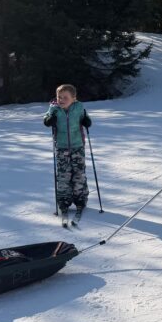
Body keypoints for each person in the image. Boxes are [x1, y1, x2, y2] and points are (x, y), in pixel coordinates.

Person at [43, 84, 92, 227]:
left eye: (65, 97)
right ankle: (64, 201)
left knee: (79, 174)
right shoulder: (54, 109)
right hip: (62, 147)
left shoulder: (79, 107)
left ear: (74, 98)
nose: (61, 100)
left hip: (78, 147)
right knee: (64, 175)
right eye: (59, 97)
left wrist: (86, 121)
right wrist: (48, 120)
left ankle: (80, 199)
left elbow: (85, 118)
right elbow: (46, 119)